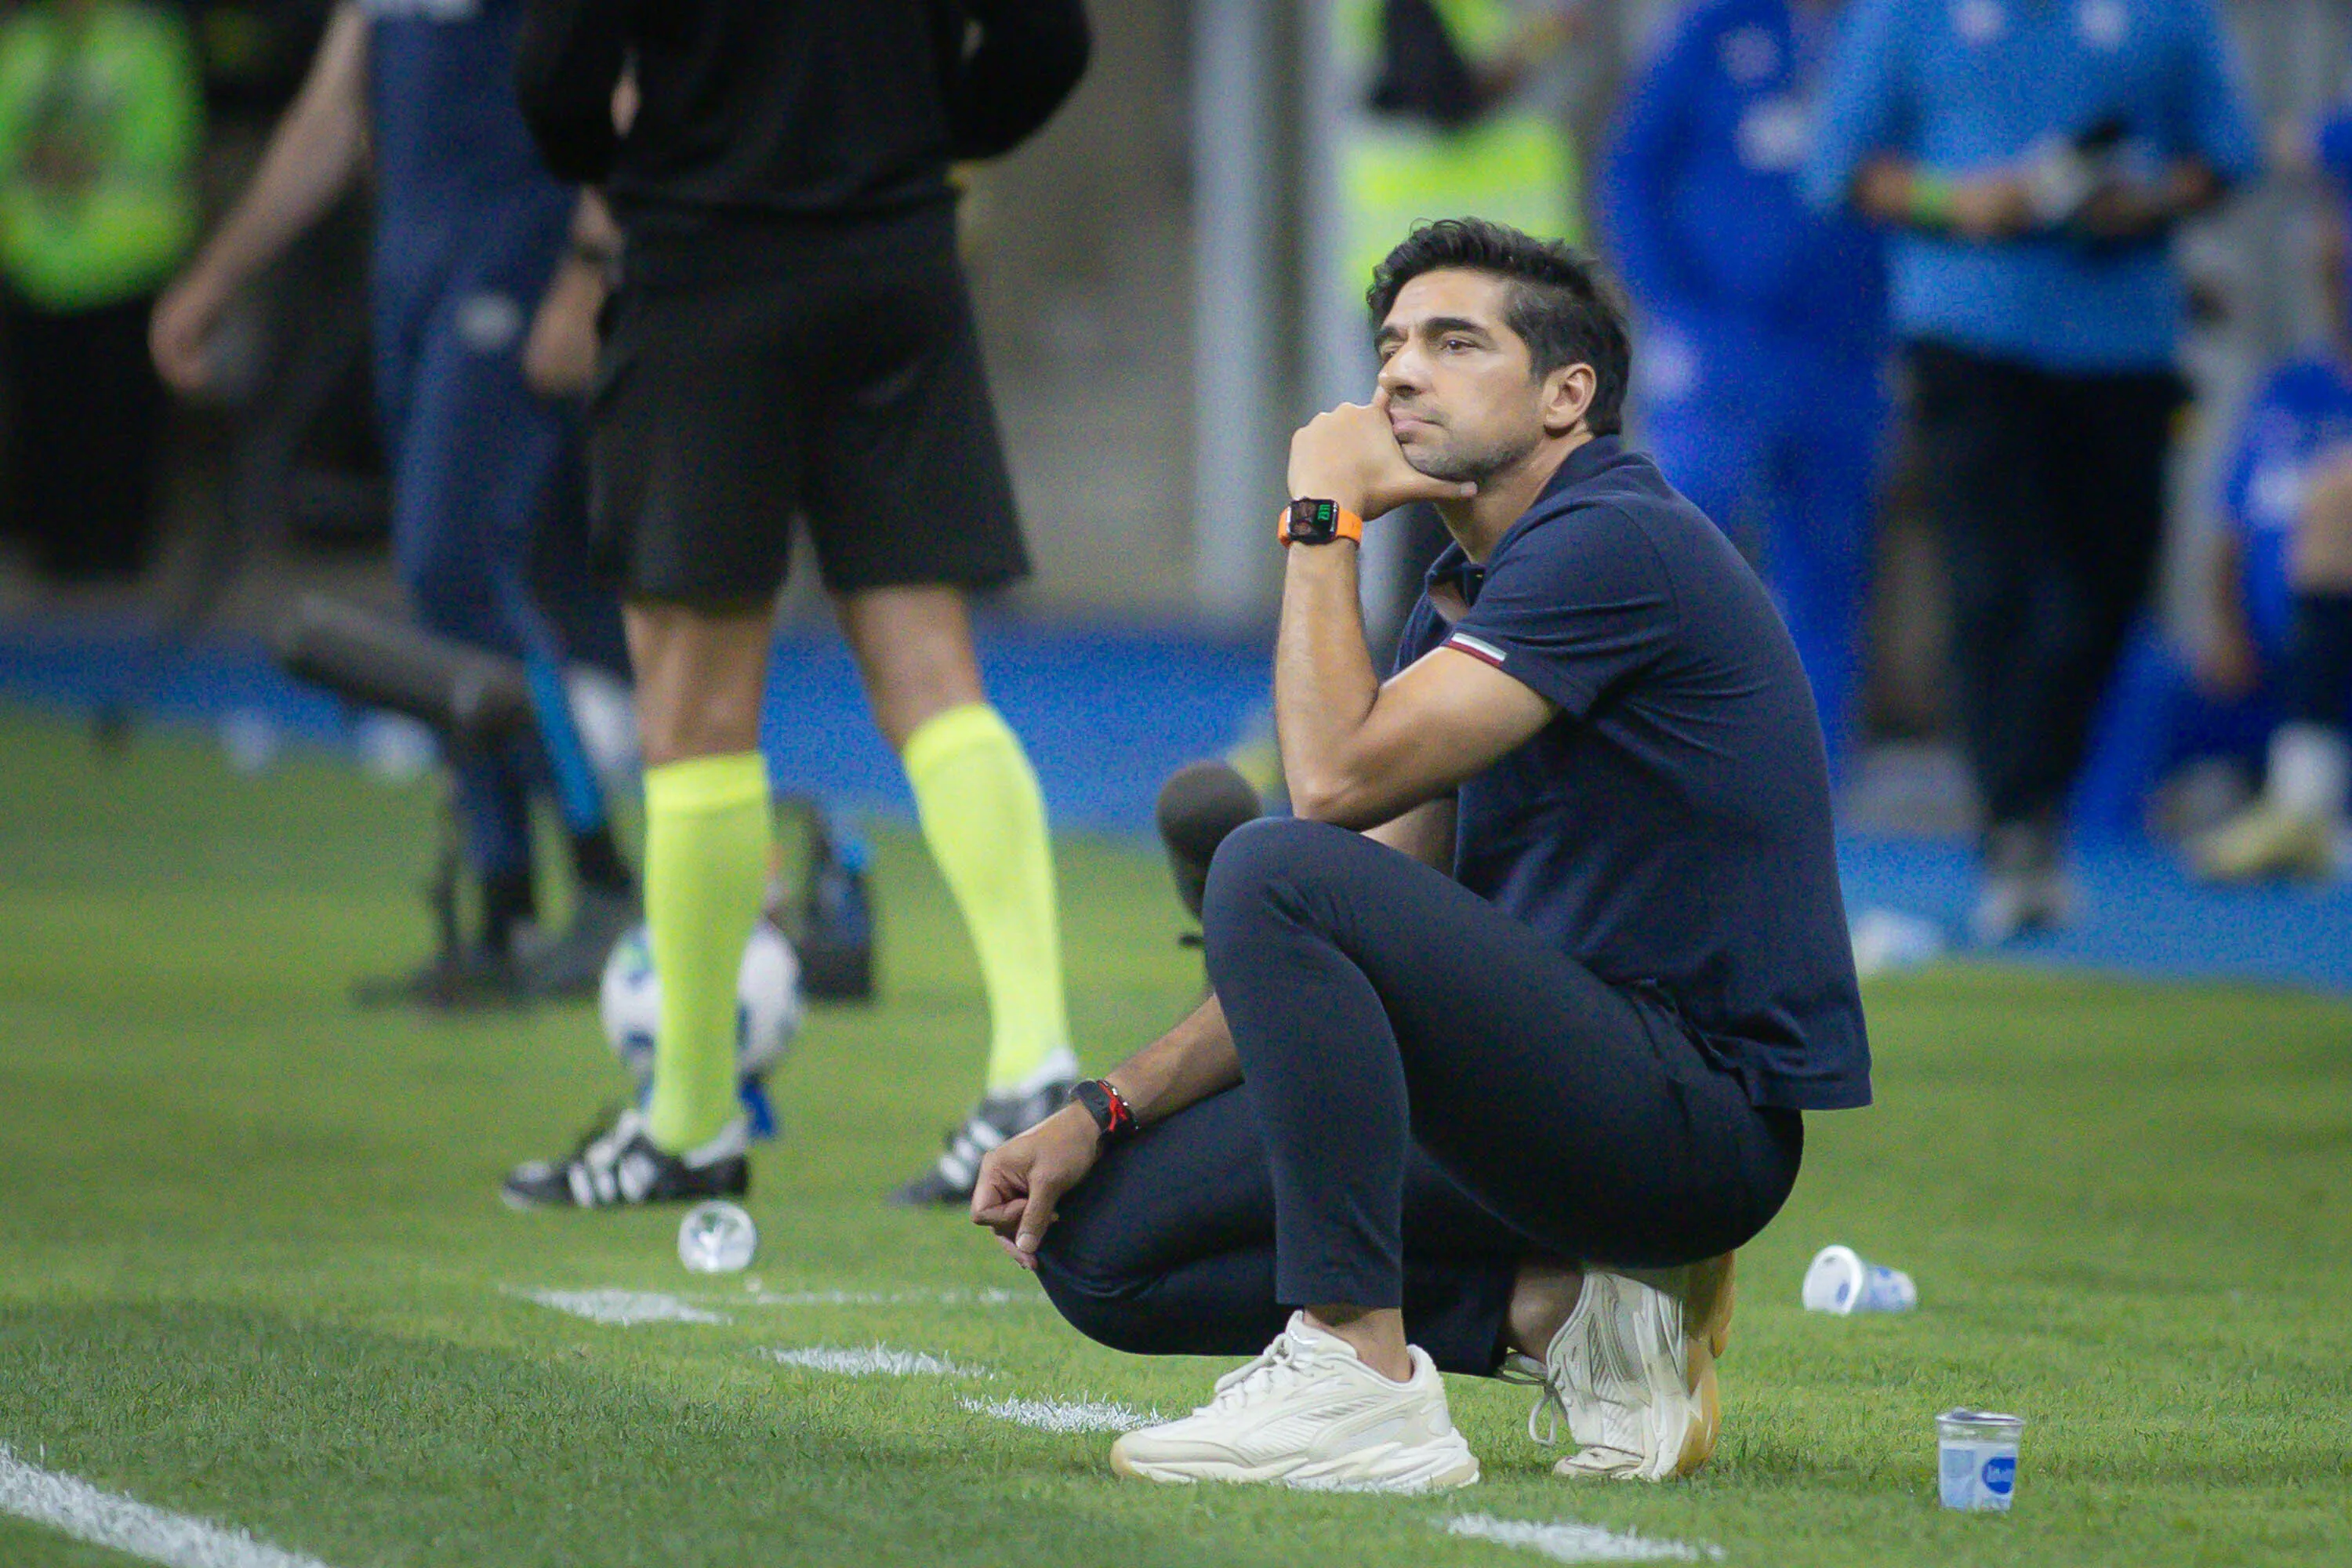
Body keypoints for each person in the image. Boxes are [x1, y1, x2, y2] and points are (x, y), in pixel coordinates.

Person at [972, 220, 1869, 1491]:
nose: (1399, 373)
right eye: (1391, 345)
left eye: (1454, 344)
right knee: (1102, 1242)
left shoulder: (1617, 540)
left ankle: (1357, 1374)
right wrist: (1100, 1107)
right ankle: (1561, 1314)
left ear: (1567, 396)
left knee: (1272, 860)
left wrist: (1321, 519)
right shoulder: (1473, 591)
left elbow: (1327, 797)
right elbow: (1352, 897)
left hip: (1686, 1125)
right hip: (1530, 1109)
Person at [505, 0, 1091, 1209]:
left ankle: (689, 1124)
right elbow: (1049, 42)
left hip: (703, 261)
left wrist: (630, 161)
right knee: (935, 678)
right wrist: (923, 137)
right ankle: (1033, 1062)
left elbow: (558, 73)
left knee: (695, 716)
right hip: (896, 256)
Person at [148, 0, 637, 1002]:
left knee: (456, 569)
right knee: (442, 597)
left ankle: (603, 876)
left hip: (513, 261)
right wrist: (217, 275)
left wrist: (590, 267)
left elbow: (617, 81)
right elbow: (330, 117)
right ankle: (502, 905)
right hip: (413, 277)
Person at [1801, 0, 2261, 942]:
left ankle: (2038, 791)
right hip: (1969, 335)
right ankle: (2015, 823)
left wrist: (2145, 203)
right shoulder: (1907, 15)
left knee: (2107, 590)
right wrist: (1959, 203)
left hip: (2124, 344)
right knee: (1992, 583)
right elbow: (1836, 166)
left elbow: (2229, 154)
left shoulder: (2166, 14)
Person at [1600, 0, 1885, 777]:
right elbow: (1634, 166)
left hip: (1845, 351)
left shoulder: (1879, 27)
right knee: (1682, 556)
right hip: (1722, 344)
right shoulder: (1716, 25)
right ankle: (1657, 769)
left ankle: (1813, 785)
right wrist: (1672, 307)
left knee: (1829, 567)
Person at [0, 0, 201, 586]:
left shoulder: (145, 39)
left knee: (121, 419)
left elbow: (173, 138)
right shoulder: (24, 42)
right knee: (45, 418)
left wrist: (89, 156)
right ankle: (55, 546)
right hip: (37, 267)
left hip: (126, 265)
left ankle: (119, 548)